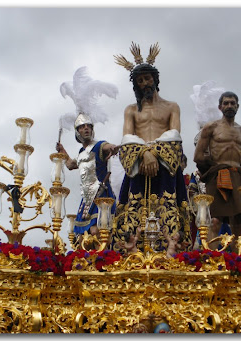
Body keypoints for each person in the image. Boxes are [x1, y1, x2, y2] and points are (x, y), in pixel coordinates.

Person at [113, 42, 191, 252]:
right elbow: (127, 137)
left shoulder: (172, 107)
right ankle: (131, 251)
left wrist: (154, 153)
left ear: (155, 79)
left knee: (170, 211)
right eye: (139, 81)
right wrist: (144, 154)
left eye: (147, 78)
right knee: (133, 212)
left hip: (165, 167)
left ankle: (173, 250)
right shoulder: (130, 110)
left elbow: (175, 137)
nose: (144, 83)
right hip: (139, 166)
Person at [193, 91, 241, 252]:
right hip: (217, 175)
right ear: (220, 106)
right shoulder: (211, 127)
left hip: (237, 176)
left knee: (237, 222)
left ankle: (237, 259)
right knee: (215, 220)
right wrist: (215, 169)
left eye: (232, 103)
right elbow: (198, 155)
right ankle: (210, 258)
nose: (229, 106)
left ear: (237, 106)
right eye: (226, 103)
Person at [56, 113, 119, 242]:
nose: (86, 129)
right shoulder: (81, 152)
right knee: (81, 238)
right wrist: (62, 151)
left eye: (88, 126)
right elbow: (70, 165)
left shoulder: (99, 145)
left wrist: (113, 148)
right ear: (77, 131)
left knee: (97, 231)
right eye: (82, 127)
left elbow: (108, 146)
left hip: (101, 195)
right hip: (86, 197)